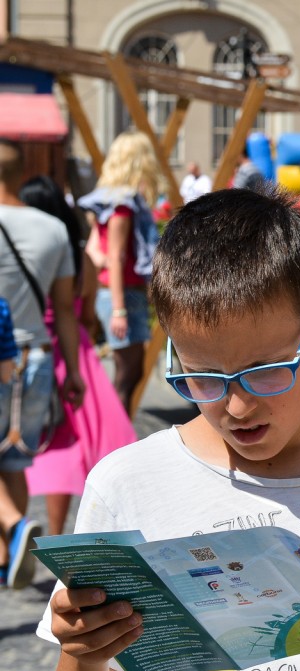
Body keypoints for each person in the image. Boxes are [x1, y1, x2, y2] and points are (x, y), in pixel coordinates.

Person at [37, 188, 300, 671]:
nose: (237, 407)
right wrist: (85, 653)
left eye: (265, 371)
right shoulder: (126, 485)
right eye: (204, 377)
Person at [20, 176, 137, 537]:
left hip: (30, 349)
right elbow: (85, 314)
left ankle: (13, 530)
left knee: (30, 445)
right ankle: (58, 534)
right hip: (77, 354)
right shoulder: (80, 257)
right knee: (74, 446)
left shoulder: (21, 253)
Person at [0, 139, 85, 590]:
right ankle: (6, 559)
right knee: (13, 462)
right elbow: (65, 309)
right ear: (20, 176)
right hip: (37, 357)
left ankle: (15, 525)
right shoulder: (52, 228)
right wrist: (74, 371)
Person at [78, 130, 160, 412]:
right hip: (122, 295)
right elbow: (115, 257)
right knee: (127, 376)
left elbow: (95, 252)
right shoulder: (123, 204)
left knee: (129, 373)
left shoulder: (109, 200)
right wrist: (119, 309)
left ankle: (114, 431)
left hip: (115, 293)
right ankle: (116, 434)